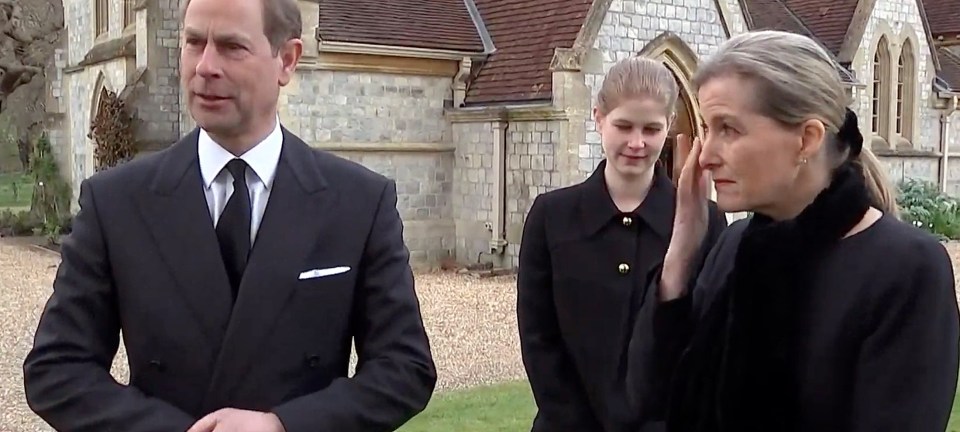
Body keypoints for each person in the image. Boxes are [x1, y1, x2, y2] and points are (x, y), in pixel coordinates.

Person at [22, 0, 436, 430]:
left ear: (287, 60)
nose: (204, 67)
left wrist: (283, 425)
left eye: (231, 47)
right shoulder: (116, 203)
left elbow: (405, 367)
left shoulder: (359, 202)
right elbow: (56, 369)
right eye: (194, 42)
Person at [627, 30, 960, 431]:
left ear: (807, 138)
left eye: (728, 129)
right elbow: (648, 401)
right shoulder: (735, 247)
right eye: (707, 129)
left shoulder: (905, 269)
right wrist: (681, 252)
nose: (708, 155)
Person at [517, 56, 728, 432]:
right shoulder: (552, 216)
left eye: (651, 129)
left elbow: (702, 342)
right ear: (598, 118)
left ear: (668, 128)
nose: (636, 142)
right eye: (624, 126)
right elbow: (539, 339)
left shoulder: (705, 220)